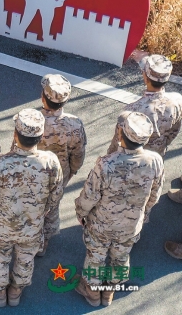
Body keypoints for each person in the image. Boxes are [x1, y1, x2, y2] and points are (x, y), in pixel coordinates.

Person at [74, 112, 163, 307]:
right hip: (131, 225)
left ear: (121, 134)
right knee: (121, 256)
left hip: (101, 224)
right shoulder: (155, 161)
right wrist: (144, 214)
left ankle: (92, 292)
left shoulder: (106, 164)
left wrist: (80, 212)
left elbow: (90, 196)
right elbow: (154, 194)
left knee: (96, 256)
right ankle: (109, 293)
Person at [0, 109, 62, 307]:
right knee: (25, 258)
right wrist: (45, 211)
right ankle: (15, 293)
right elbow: (55, 194)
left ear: (15, 134)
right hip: (31, 224)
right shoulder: (50, 162)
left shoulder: (1, 162)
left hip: (2, 225)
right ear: (40, 136)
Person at [34, 74, 86, 256]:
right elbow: (78, 154)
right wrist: (71, 172)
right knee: (51, 206)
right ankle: (43, 242)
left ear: (43, 97)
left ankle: (27, 238)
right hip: (59, 175)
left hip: (32, 174)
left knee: (30, 204)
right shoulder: (74, 124)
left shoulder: (32, 120)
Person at [107, 55, 182, 163]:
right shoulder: (178, 100)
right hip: (156, 157)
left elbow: (117, 142)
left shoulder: (131, 111)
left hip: (129, 161)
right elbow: (173, 132)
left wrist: (109, 158)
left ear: (145, 77)